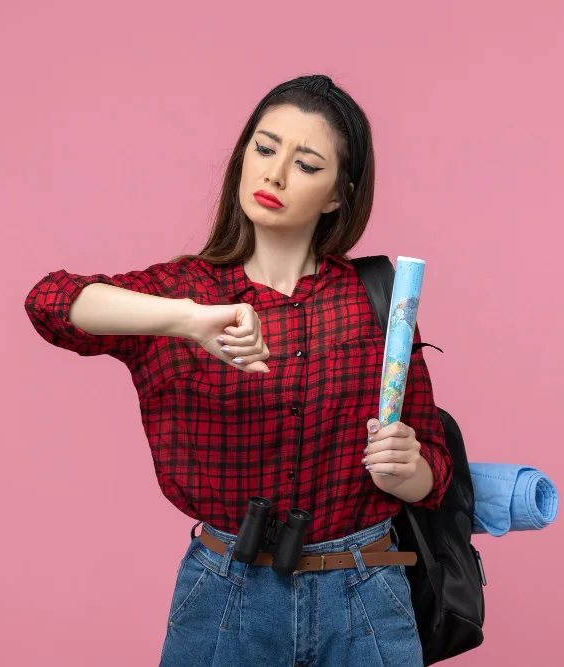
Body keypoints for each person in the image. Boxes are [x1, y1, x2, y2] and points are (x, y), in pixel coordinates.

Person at [24, 74, 452, 667]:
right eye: (265, 148)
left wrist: (411, 471)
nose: (274, 175)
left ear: (337, 195)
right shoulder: (184, 293)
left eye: (306, 164)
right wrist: (188, 319)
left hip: (367, 596)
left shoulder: (376, 301)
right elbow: (49, 302)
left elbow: (436, 467)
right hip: (225, 598)